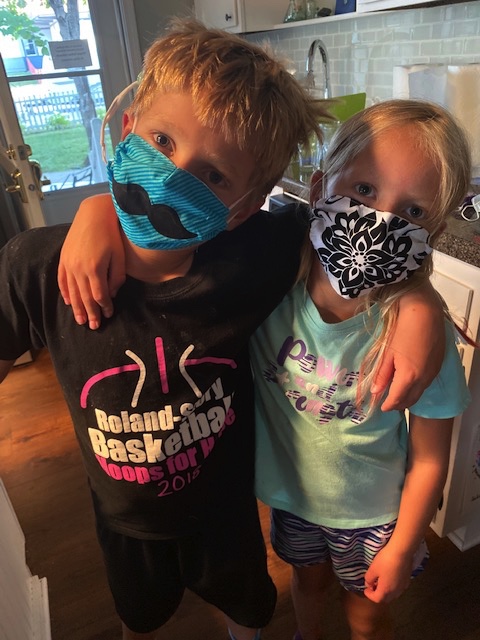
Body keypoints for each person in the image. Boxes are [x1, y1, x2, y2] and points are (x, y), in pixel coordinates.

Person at [0, 17, 443, 640]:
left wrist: (421, 303)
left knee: (247, 613)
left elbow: (368, 247)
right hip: (124, 522)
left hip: (226, 513)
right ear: (127, 128)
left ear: (244, 206)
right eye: (161, 140)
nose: (174, 177)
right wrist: (97, 208)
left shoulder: (258, 254)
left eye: (213, 176)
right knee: (139, 621)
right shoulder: (36, 268)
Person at [251, 99, 473, 640]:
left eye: (413, 211)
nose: (380, 220)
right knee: (308, 586)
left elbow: (430, 458)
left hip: (378, 519)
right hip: (292, 500)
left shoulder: (424, 340)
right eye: (365, 190)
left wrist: (402, 546)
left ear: (433, 231)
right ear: (320, 186)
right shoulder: (267, 285)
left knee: (367, 618)